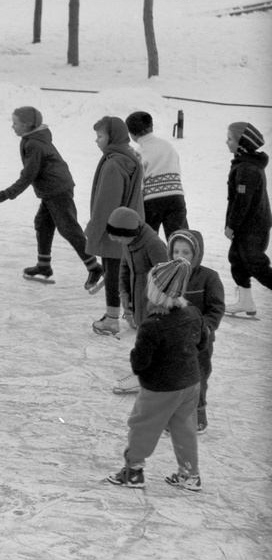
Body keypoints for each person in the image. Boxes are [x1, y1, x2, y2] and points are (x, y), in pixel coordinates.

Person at [106, 258, 207, 491]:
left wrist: (135, 355)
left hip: (161, 388)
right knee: (184, 428)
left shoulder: (152, 325)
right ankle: (190, 474)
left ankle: (133, 471)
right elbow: (201, 343)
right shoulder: (193, 313)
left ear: (154, 290)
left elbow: (140, 364)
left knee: (143, 426)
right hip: (190, 384)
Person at [0, 106, 104, 290]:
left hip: (57, 189)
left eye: (15, 123)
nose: (12, 127)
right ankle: (44, 265)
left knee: (68, 228)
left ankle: (95, 267)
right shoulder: (33, 139)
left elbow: (29, 174)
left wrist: (8, 193)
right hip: (51, 189)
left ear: (27, 125)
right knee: (43, 223)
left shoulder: (34, 144)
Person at [84, 115, 144, 336]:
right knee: (124, 273)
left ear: (112, 137)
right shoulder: (127, 158)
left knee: (113, 274)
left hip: (114, 229)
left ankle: (111, 319)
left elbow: (105, 204)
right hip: (128, 226)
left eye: (100, 136)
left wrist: (93, 230)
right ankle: (133, 316)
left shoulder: (114, 164)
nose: (97, 140)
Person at [104, 205, 168, 395]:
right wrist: (126, 298)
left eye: (117, 236)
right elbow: (125, 269)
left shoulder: (154, 244)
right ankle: (147, 374)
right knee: (143, 339)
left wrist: (161, 307)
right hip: (138, 301)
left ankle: (143, 376)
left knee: (149, 341)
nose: (113, 239)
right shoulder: (129, 242)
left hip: (153, 304)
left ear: (129, 232)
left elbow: (167, 277)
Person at [168, 229, 225, 432]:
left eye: (186, 252)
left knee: (198, 378)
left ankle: (198, 414)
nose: (179, 257)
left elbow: (216, 308)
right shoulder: (167, 276)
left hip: (200, 342)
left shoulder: (209, 277)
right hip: (174, 340)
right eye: (175, 251)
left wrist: (205, 329)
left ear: (196, 254)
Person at [223, 122, 272, 318]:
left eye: (230, 139)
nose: (226, 142)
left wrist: (231, 226)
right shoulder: (244, 164)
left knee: (256, 265)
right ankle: (245, 301)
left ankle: (246, 299)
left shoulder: (247, 169)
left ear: (242, 143)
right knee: (237, 260)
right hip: (248, 225)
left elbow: (242, 202)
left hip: (253, 227)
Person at [125, 111, 187, 239]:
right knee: (179, 237)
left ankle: (152, 258)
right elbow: (177, 167)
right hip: (176, 196)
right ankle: (181, 258)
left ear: (132, 133)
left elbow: (140, 181)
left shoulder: (140, 152)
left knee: (148, 238)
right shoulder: (167, 145)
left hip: (152, 200)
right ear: (151, 126)